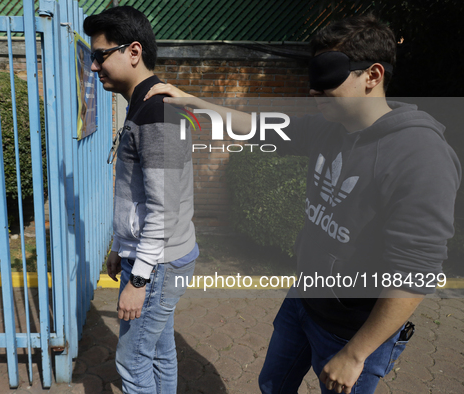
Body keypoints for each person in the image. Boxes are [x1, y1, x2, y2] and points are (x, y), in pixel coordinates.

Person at [144, 14, 461, 394]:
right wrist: (195, 103)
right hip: (303, 301)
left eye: (328, 75)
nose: (313, 90)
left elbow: (415, 273)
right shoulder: (330, 128)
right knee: (273, 386)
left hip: (352, 333)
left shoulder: (420, 156)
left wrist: (357, 354)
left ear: (372, 75)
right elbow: (261, 127)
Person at [83, 6, 198, 394]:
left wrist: (139, 277)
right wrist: (121, 247)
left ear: (132, 52)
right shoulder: (144, 103)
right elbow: (139, 195)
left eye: (99, 56)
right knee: (159, 351)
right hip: (154, 255)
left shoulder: (157, 112)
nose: (94, 67)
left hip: (159, 262)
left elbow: (163, 208)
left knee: (131, 361)